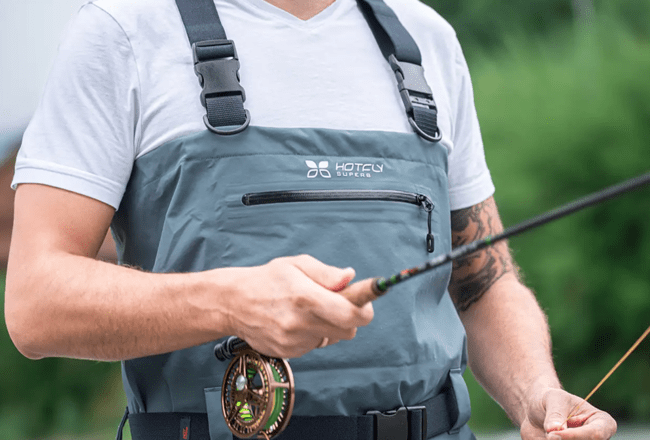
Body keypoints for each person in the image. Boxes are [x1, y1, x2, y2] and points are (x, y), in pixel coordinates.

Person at [5, 0, 617, 439]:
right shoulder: (121, 31)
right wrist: (229, 302)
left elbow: (483, 282)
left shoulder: (427, 38)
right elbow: (35, 302)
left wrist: (537, 394)